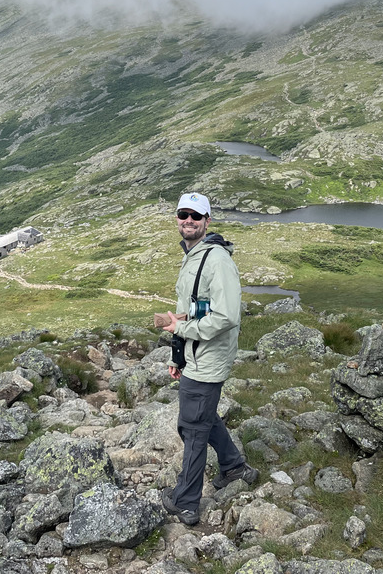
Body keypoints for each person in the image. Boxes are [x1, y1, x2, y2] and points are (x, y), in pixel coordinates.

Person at [159, 191, 258, 526]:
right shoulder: (193, 255)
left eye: (195, 216)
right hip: (196, 356)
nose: (188, 221)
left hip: (209, 359)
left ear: (207, 221)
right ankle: (234, 467)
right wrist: (179, 355)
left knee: (192, 427)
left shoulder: (216, 260)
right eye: (183, 214)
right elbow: (188, 314)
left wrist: (184, 334)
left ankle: (186, 503)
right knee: (202, 417)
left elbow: (227, 316)